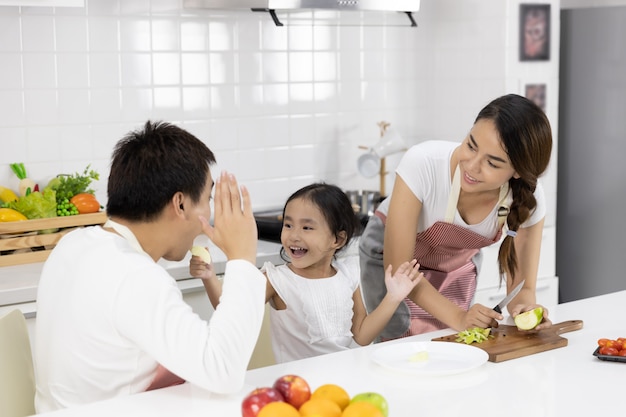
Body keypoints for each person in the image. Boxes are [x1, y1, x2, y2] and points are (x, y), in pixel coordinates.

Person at [34, 121, 267, 413]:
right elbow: (223, 371)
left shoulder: (74, 244)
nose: (210, 215)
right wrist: (242, 257)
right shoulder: (134, 275)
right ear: (180, 204)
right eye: (208, 199)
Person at [359, 94, 554, 340]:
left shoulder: (529, 198)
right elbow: (400, 269)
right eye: (471, 145)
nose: (471, 166)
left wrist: (527, 311)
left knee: (453, 342)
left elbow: (522, 289)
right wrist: (460, 317)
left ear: (518, 171)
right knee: (401, 343)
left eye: (492, 163)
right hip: (392, 265)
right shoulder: (423, 162)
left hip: (456, 264)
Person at [190, 183, 422, 363]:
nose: (293, 235)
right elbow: (229, 309)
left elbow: (361, 336)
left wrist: (393, 297)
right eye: (288, 225)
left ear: (337, 239)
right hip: (297, 385)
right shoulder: (277, 279)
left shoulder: (349, 274)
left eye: (307, 227)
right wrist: (209, 278)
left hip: (346, 377)